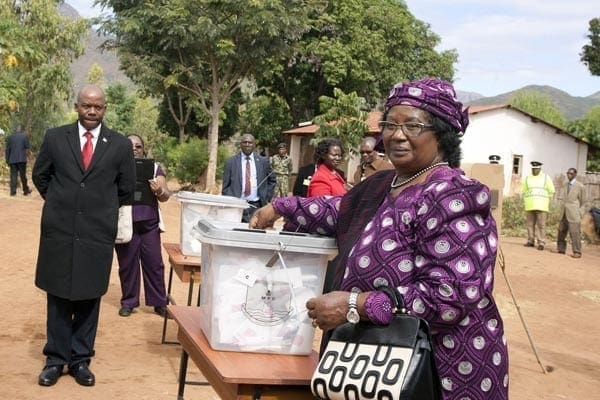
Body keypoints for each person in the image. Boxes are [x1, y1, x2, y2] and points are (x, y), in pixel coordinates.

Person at [250, 78, 509, 400]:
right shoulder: (383, 184)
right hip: (377, 364)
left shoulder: (455, 196)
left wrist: (355, 305)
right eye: (390, 124)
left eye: (413, 125)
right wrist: (281, 205)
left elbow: (451, 295)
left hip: (438, 373)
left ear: (441, 134)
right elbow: (341, 211)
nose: (397, 135)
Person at [32, 84, 136, 387]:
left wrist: (98, 210)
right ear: (77, 106)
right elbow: (41, 175)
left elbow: (126, 187)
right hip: (60, 230)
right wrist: (61, 201)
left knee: (90, 296)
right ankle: (55, 360)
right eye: (86, 106)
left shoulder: (119, 145)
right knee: (58, 295)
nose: (92, 111)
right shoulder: (55, 137)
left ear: (105, 109)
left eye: (98, 107)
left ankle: (79, 361)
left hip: (97, 233)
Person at [115, 134, 170, 318]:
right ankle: (129, 302)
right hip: (125, 222)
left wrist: (159, 190)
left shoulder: (154, 168)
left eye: (138, 146)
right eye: (130, 146)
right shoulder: (115, 167)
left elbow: (165, 195)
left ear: (143, 149)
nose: (134, 149)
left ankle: (159, 303)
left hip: (149, 224)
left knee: (154, 264)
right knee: (127, 264)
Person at [222, 133, 275, 222]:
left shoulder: (263, 161)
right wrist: (229, 201)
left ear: (254, 145)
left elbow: (272, 180)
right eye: (244, 142)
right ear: (240, 144)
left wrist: (266, 197)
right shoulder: (231, 162)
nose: (247, 145)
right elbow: (225, 186)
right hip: (236, 206)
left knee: (254, 233)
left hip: (256, 206)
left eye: (250, 142)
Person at [522, 161, 555, 250]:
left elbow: (551, 191)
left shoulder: (545, 177)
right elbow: (524, 191)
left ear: (540, 169)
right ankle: (530, 241)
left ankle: (541, 243)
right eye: (533, 168)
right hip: (530, 205)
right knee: (530, 224)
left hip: (542, 206)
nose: (534, 170)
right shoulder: (527, 178)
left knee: (541, 225)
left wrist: (546, 200)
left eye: (536, 169)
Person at [553, 168, 585, 258]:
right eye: (567, 173)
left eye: (571, 173)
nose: (569, 175)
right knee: (561, 230)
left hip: (574, 214)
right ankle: (560, 249)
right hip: (564, 211)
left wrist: (580, 213)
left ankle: (577, 252)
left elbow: (584, 202)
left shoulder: (580, 186)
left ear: (575, 175)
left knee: (575, 233)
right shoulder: (565, 184)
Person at [5, 125, 32, 196]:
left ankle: (13, 192)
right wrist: (29, 158)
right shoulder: (24, 136)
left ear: (15, 130)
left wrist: (7, 160)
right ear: (21, 130)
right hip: (22, 159)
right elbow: (27, 148)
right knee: (23, 175)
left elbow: (7, 150)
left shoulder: (10, 137)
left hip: (12, 159)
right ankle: (25, 190)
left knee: (13, 175)